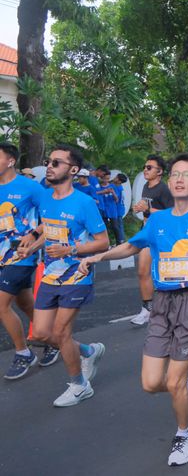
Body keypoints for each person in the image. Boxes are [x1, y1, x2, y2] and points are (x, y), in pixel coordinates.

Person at [79, 138, 188, 466]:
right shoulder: (157, 221)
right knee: (150, 383)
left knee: (172, 382)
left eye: (186, 174)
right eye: (174, 174)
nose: (178, 179)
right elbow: (131, 246)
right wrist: (97, 257)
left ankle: (183, 435)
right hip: (161, 304)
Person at [21, 144, 110, 407]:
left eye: (56, 163)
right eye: (49, 162)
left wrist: (70, 249)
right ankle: (88, 351)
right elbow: (49, 229)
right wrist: (32, 243)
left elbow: (103, 242)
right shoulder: (46, 199)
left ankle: (79, 385)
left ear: (73, 170)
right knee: (40, 334)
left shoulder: (85, 203)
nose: (49, 166)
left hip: (77, 275)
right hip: (50, 275)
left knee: (61, 332)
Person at [0, 143, 59, 380]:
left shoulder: (30, 187)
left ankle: (23, 353)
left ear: (11, 161)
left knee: (1, 305)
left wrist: (34, 235)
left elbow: (52, 215)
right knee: (24, 302)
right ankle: (53, 340)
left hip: (21, 255)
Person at [130, 155, 174, 326]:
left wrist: (148, 208)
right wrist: (141, 210)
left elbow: (172, 213)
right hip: (148, 232)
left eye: (149, 167)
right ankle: (147, 309)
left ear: (160, 171)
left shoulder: (164, 190)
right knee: (142, 271)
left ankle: (170, 307)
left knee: (165, 274)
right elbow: (148, 210)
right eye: (145, 166)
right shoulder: (146, 187)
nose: (145, 170)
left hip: (163, 235)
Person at [96, 169, 123, 245]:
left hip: (112, 209)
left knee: (115, 227)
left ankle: (119, 243)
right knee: (105, 228)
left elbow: (117, 200)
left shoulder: (113, 186)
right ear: (102, 178)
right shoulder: (99, 186)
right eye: (105, 178)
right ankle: (107, 243)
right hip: (103, 209)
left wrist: (113, 192)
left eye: (108, 179)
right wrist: (103, 192)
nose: (106, 180)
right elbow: (95, 194)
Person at [111, 173, 128, 244]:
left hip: (118, 209)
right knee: (119, 226)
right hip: (120, 208)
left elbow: (116, 199)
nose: (114, 178)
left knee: (118, 226)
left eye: (116, 177)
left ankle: (121, 241)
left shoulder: (116, 187)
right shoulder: (120, 187)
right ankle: (121, 241)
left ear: (119, 181)